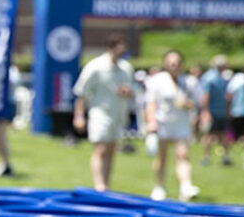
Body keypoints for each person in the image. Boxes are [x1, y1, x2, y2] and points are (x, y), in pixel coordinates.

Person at [72, 33, 134, 191]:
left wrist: (128, 92)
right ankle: (99, 185)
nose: (121, 54)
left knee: (111, 149)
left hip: (118, 113)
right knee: (100, 148)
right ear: (110, 48)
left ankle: (106, 185)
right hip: (99, 113)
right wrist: (79, 116)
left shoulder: (126, 68)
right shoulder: (95, 67)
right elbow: (82, 92)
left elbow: (132, 90)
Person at [145, 50, 200, 202]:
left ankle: (186, 186)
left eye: (176, 63)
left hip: (181, 122)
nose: (173, 65)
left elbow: (197, 102)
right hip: (163, 122)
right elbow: (151, 103)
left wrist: (187, 105)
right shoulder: (157, 80)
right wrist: (151, 122)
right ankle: (159, 186)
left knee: (183, 154)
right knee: (162, 157)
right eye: (171, 62)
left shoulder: (189, 81)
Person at [198, 54, 232, 166]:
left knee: (222, 135)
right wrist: (205, 111)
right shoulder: (210, 78)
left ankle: (225, 157)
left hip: (221, 111)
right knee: (208, 135)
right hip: (212, 112)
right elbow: (205, 95)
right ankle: (206, 157)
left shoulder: (222, 77)